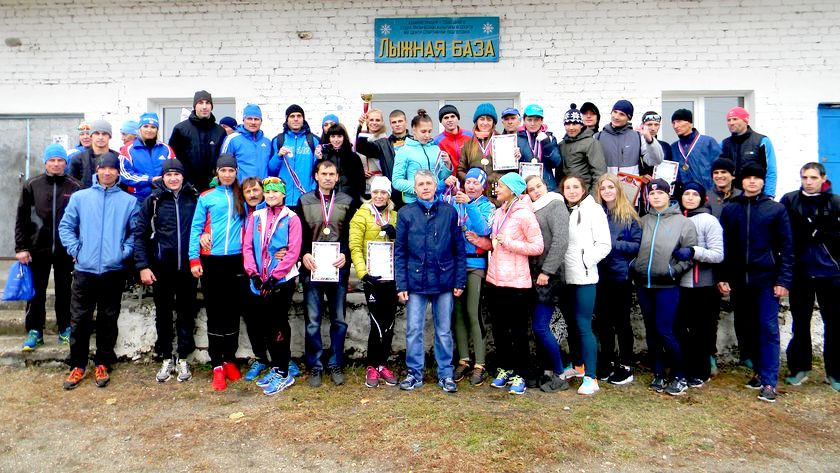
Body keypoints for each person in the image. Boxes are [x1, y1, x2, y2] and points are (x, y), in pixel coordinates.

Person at [58, 154, 138, 389]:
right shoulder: (80, 198)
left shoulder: (128, 201)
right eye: (103, 168)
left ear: (118, 173)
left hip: (113, 270)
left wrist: (123, 252)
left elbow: (135, 232)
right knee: (80, 319)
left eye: (112, 169)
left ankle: (103, 362)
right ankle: (78, 365)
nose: (107, 173)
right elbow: (66, 226)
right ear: (97, 171)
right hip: (85, 269)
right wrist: (76, 249)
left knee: (108, 319)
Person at [718, 164, 793, 402]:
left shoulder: (776, 209)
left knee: (768, 328)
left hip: (767, 279)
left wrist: (783, 280)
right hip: (740, 280)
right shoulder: (731, 209)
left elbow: (787, 247)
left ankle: (770, 382)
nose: (752, 181)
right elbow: (725, 245)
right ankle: (760, 371)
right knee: (746, 327)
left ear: (762, 181)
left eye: (757, 178)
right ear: (741, 181)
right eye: (748, 178)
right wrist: (723, 276)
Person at [395, 169, 466, 393]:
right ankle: (414, 373)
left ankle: (446, 374)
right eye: (421, 184)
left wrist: (460, 281)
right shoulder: (405, 213)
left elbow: (458, 249)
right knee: (414, 330)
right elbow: (400, 252)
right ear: (414, 189)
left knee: (444, 331)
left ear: (436, 186)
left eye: (429, 183)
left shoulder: (449, 212)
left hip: (444, 280)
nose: (425, 187)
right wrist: (401, 284)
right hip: (415, 281)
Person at [477, 173, 544, 395]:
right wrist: (480, 242)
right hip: (495, 280)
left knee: (518, 331)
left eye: (501, 186)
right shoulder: (499, 212)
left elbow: (537, 246)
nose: (496, 189)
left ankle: (521, 374)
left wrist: (510, 242)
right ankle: (504, 369)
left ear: (513, 190)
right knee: (499, 329)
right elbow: (495, 244)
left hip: (516, 283)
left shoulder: (525, 214)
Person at [133, 158, 198, 383]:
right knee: (163, 313)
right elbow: (140, 234)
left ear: (183, 176)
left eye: (177, 174)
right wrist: (143, 266)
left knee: (186, 312)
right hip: (161, 268)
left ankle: (183, 356)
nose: (173, 178)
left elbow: (201, 228)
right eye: (168, 174)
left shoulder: (193, 198)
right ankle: (166, 355)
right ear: (163, 177)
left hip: (188, 268)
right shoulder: (153, 201)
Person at [633, 179, 698, 396]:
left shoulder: (684, 223)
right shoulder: (643, 220)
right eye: (652, 194)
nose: (656, 197)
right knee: (651, 331)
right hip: (644, 284)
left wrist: (673, 271)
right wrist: (634, 266)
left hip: (667, 285)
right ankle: (659, 372)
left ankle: (680, 375)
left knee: (665, 330)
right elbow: (634, 247)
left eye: (660, 193)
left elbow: (689, 255)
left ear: (668, 194)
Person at [188, 154, 247, 391]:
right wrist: (194, 259)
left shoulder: (242, 195)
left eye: (231, 171)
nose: (227, 174)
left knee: (233, 311)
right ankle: (217, 365)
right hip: (211, 260)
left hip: (236, 260)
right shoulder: (206, 197)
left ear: (236, 172)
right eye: (223, 170)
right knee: (215, 312)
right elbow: (196, 228)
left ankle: (230, 359)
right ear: (217, 172)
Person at [16, 144, 81, 351]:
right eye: (52, 160)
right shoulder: (32, 185)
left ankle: (65, 328)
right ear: (45, 162)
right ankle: (35, 330)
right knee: (36, 291)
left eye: (60, 160)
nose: (56, 164)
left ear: (65, 163)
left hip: (65, 250)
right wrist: (21, 247)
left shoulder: (75, 186)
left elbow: (82, 221)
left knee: (65, 291)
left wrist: (78, 249)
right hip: (37, 248)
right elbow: (22, 218)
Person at [296, 159, 355, 387]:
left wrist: (346, 255)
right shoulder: (304, 201)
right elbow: (299, 233)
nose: (328, 178)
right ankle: (315, 366)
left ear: (337, 177)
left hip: (338, 268)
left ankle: (336, 363)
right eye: (324, 174)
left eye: (332, 174)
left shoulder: (347, 201)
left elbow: (351, 234)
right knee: (313, 321)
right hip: (312, 268)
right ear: (316, 176)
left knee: (338, 320)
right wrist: (303, 254)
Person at [781, 163, 839, 391]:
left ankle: (835, 372)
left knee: (834, 323)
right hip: (801, 272)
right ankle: (799, 368)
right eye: (805, 177)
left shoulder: (835, 202)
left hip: (830, 273)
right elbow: (782, 233)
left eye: (813, 177)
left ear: (823, 178)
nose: (809, 182)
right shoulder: (790, 200)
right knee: (800, 321)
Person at [243, 177, 303, 395]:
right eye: (267, 192)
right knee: (267, 324)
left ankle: (284, 372)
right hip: (259, 280)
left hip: (281, 281)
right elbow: (248, 247)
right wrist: (253, 273)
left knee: (278, 324)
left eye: (275, 192)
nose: (271, 196)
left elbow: (293, 251)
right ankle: (277, 367)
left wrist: (275, 276)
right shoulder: (256, 216)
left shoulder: (292, 218)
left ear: (283, 194)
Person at [559, 175, 611, 395]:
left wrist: (585, 261)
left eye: (575, 187)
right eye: (567, 187)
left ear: (583, 189)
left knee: (583, 325)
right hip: (566, 277)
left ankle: (591, 377)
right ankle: (578, 366)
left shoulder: (594, 210)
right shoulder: (566, 210)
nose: (571, 191)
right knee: (571, 325)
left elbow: (604, 244)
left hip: (584, 277)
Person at [443, 168, 494, 386]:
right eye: (469, 182)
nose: (471, 186)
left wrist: (470, 204)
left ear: (483, 186)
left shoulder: (486, 205)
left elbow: (484, 228)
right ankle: (463, 359)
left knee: (473, 312)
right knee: (458, 314)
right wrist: (445, 185)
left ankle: (480, 363)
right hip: (455, 264)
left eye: (476, 183)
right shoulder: (454, 201)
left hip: (475, 264)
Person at [349, 175, 400, 388]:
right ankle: (372, 365)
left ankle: (383, 364)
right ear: (371, 193)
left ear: (389, 195)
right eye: (376, 192)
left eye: (383, 192)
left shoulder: (395, 216)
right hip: (372, 279)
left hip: (391, 277)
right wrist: (363, 274)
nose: (379, 196)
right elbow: (355, 247)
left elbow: (403, 246)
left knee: (389, 321)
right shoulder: (361, 215)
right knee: (377, 321)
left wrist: (395, 234)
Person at [593, 173, 641, 385]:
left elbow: (637, 246)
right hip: (600, 274)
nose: (607, 191)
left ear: (618, 189)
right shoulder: (597, 213)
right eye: (603, 188)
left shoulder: (629, 215)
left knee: (621, 322)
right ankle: (607, 360)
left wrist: (614, 244)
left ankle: (626, 364)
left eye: (610, 187)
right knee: (603, 321)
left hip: (620, 275)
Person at [676, 182, 724, 387]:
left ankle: (701, 371)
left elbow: (718, 254)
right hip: (679, 283)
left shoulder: (709, 220)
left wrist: (694, 251)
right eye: (686, 193)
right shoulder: (677, 218)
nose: (689, 197)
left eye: (694, 194)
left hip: (702, 284)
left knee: (701, 330)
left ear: (702, 199)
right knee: (680, 328)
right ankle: (684, 367)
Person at [525, 175, 570, 392]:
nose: (536, 191)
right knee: (540, 327)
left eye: (539, 186)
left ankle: (560, 372)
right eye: (531, 189)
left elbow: (561, 240)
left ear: (546, 186)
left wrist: (547, 271)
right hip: (534, 274)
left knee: (541, 326)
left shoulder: (555, 204)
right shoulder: (533, 209)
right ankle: (547, 370)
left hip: (548, 275)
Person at [457, 103, 516, 206]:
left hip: (497, 194)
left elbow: (510, 171)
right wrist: (473, 181)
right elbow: (460, 170)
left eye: (489, 119)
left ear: (493, 123)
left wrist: (494, 179)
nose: (485, 123)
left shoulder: (503, 141)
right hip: (476, 197)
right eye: (482, 119)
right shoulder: (468, 145)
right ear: (476, 121)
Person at [392, 109, 456, 204]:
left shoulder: (435, 149)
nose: (427, 135)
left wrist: (448, 165)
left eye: (430, 131)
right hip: (414, 202)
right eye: (423, 131)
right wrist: (419, 188)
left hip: (436, 200)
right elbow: (396, 181)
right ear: (414, 129)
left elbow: (441, 177)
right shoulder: (404, 151)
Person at [168, 90, 227, 192]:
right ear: (195, 106)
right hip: (187, 188)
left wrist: (218, 177)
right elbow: (173, 159)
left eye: (207, 103)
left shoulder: (220, 131)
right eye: (200, 103)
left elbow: (224, 158)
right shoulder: (180, 129)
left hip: (213, 187)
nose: (204, 107)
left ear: (211, 106)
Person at [355, 109, 411, 208]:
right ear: (390, 124)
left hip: (413, 190)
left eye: (400, 121)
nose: (397, 124)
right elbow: (362, 147)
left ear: (406, 122)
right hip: (394, 191)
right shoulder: (383, 143)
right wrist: (362, 127)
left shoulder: (415, 141)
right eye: (394, 122)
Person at [719, 106, 778, 198]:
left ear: (745, 120)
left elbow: (771, 170)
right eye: (729, 120)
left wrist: (769, 195)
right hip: (731, 196)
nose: (731, 123)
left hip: (756, 195)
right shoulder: (724, 144)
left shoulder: (762, 141)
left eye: (735, 119)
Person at [268, 104, 320, 207]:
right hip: (283, 200)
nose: (296, 119)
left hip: (306, 199)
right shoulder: (278, 140)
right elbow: (271, 170)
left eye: (299, 116)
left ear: (303, 119)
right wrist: (278, 156)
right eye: (292, 116)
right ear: (287, 119)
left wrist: (313, 190)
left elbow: (318, 169)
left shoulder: (313, 140)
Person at [595, 100, 663, 177]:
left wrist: (650, 139)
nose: (616, 117)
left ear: (629, 118)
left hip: (630, 184)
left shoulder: (638, 137)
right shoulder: (598, 137)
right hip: (607, 184)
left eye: (622, 114)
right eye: (615, 112)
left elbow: (655, 161)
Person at [120, 112, 176, 202]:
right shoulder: (128, 149)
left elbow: (175, 171)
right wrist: (150, 179)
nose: (149, 130)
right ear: (139, 129)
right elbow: (125, 175)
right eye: (145, 126)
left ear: (157, 130)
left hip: (163, 198)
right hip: (137, 199)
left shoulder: (166, 149)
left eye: (153, 127)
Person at [669, 109, 721, 193]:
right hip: (684, 196)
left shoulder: (708, 142)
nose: (675, 126)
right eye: (673, 123)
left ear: (690, 123)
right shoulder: (673, 147)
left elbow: (720, 169)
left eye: (679, 121)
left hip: (708, 194)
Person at [558, 103, 606, 189]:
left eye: (574, 124)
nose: (571, 127)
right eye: (568, 124)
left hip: (585, 192)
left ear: (581, 125)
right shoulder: (562, 145)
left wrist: (593, 195)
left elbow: (599, 173)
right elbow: (559, 175)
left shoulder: (591, 143)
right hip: (567, 192)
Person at [221, 104, 272, 182]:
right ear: (243, 120)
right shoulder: (232, 139)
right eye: (249, 118)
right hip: (241, 187)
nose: (253, 122)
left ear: (261, 121)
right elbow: (223, 166)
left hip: (262, 188)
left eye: (256, 119)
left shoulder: (267, 142)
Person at [516, 104, 562, 191]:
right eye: (529, 120)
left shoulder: (550, 138)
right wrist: (515, 158)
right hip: (525, 187)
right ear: (524, 120)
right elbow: (510, 168)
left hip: (547, 186)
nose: (532, 123)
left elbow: (556, 163)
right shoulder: (517, 139)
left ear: (541, 121)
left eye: (536, 120)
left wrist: (547, 144)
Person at [320, 123, 366, 206]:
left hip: (350, 200)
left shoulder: (353, 157)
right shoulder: (324, 157)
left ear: (344, 137)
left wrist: (357, 199)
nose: (336, 140)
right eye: (333, 136)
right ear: (329, 138)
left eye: (339, 136)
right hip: (329, 200)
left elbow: (361, 182)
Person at [69, 120, 119, 189]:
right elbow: (72, 186)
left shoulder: (118, 158)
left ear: (110, 136)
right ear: (91, 136)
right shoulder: (78, 160)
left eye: (104, 134)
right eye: (97, 133)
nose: (100, 137)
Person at [355, 109, 388, 198]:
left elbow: (363, 147)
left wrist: (361, 128)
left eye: (377, 120)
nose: (374, 123)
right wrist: (360, 171)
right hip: (363, 183)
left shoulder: (383, 141)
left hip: (379, 184)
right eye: (371, 120)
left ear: (382, 122)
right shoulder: (362, 137)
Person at [434, 104, 472, 174]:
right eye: (446, 118)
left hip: (469, 179)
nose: (450, 120)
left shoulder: (470, 136)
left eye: (452, 116)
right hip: (450, 179)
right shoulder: (437, 141)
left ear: (458, 118)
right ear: (441, 121)